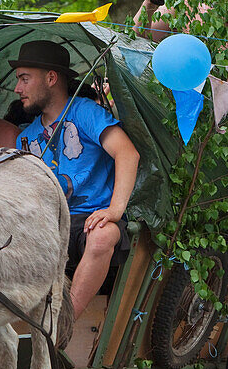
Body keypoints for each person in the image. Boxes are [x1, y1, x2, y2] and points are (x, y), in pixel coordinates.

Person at [11, 40, 140, 320]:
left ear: (51, 78)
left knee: (102, 235)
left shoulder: (84, 112)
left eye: (24, 79)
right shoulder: (25, 137)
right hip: (48, 226)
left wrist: (114, 211)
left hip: (90, 219)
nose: (17, 88)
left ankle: (61, 324)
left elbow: (127, 154)